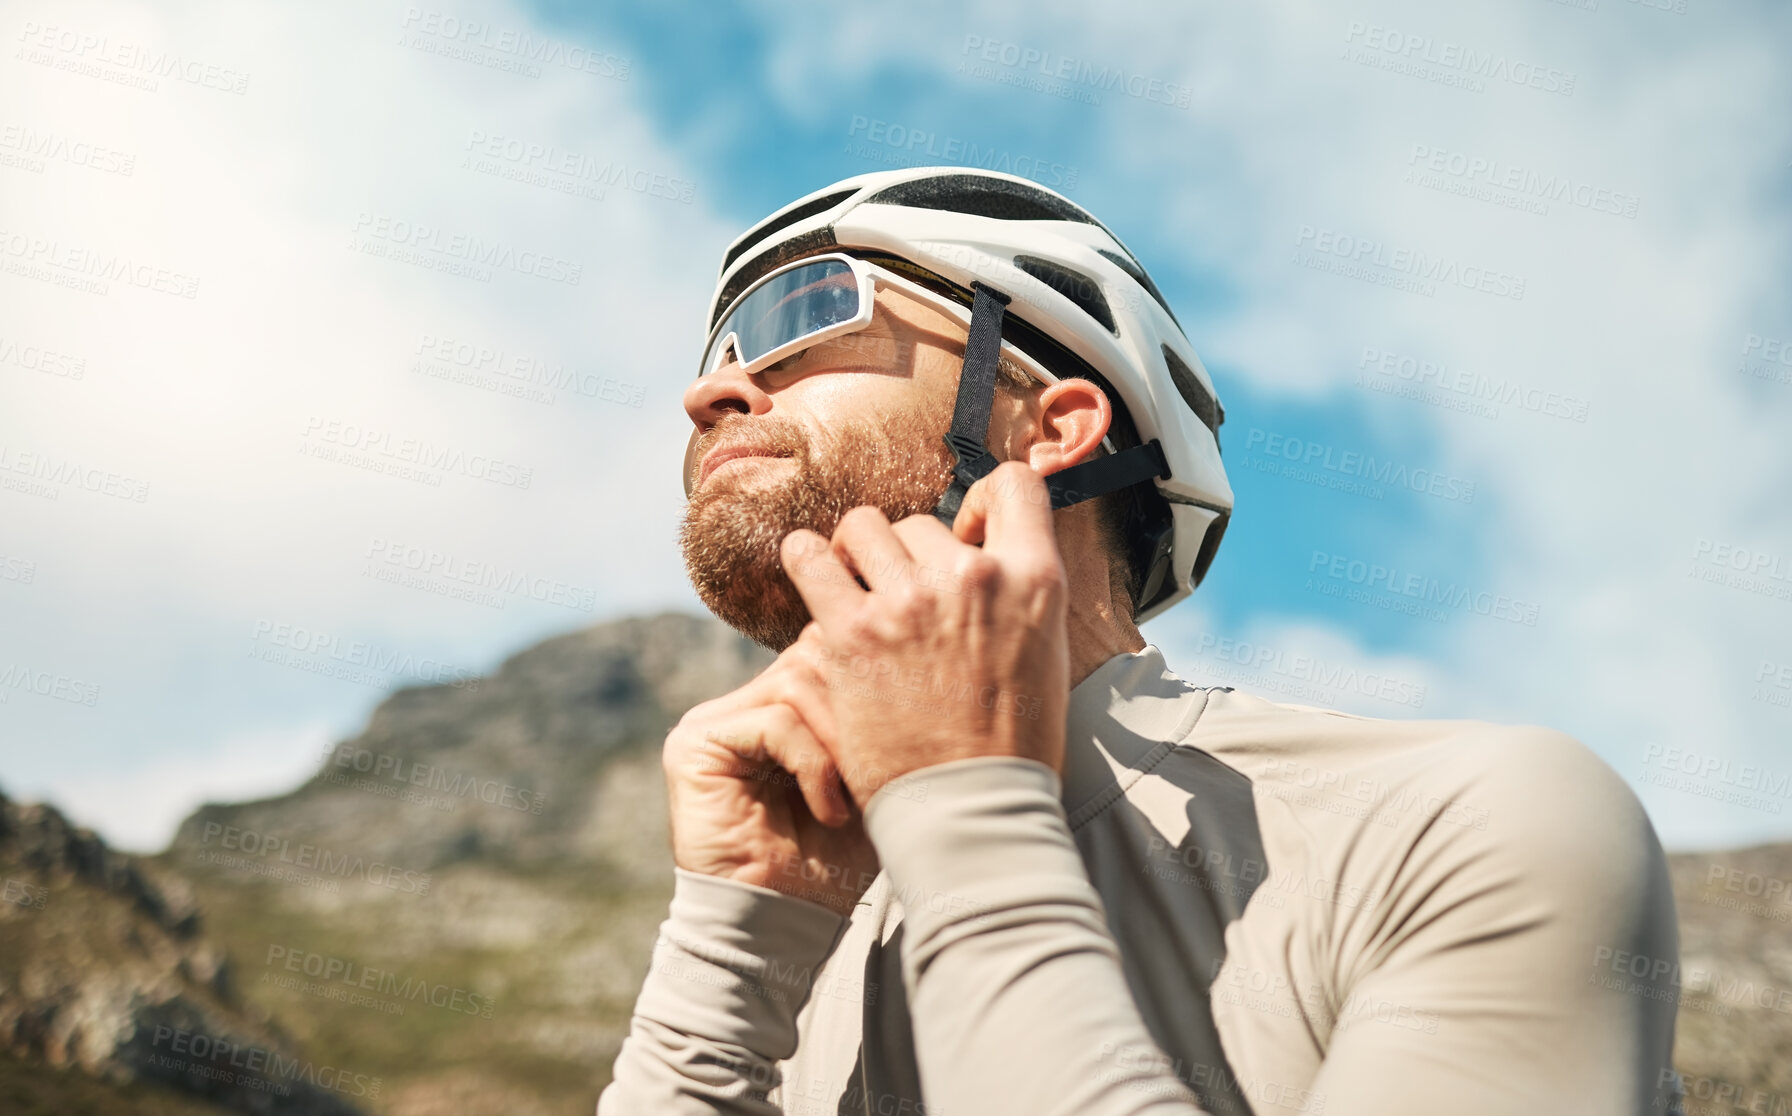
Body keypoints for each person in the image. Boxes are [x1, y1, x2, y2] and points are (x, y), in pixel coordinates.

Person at [597, 168, 1683, 1116]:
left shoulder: (1464, 821)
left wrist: (966, 807)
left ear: (1055, 426)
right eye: (721, 348)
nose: (712, 391)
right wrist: (733, 949)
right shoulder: (785, 953)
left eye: (806, 309)